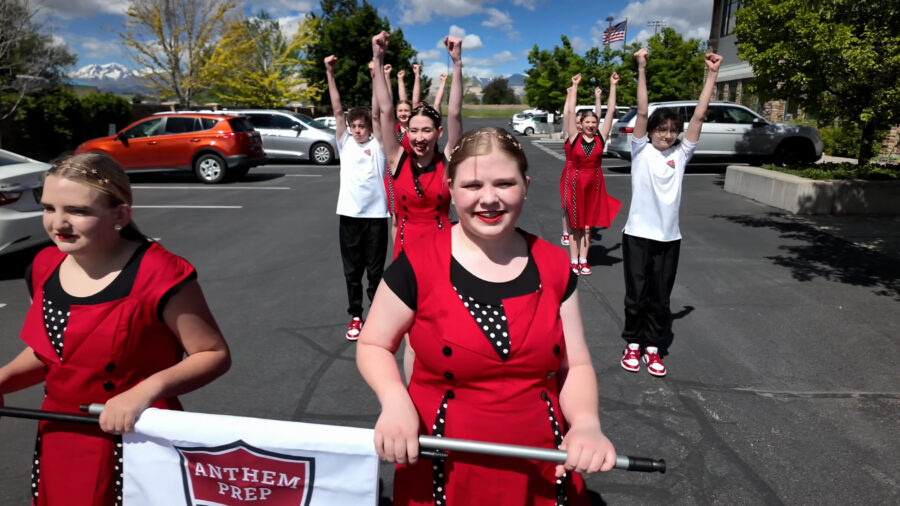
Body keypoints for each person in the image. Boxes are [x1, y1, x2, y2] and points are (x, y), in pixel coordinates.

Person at [357, 127, 617, 506]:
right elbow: (374, 343)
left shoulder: (556, 264)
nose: (489, 199)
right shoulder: (416, 262)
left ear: (526, 185)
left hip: (541, 463)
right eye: (473, 185)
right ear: (450, 186)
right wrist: (395, 401)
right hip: (442, 460)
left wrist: (587, 424)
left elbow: (574, 365)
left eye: (505, 183)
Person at [0, 153, 231, 506]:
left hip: (136, 437)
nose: (58, 223)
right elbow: (51, 353)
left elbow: (212, 354)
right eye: (49, 208)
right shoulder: (44, 265)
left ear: (120, 214)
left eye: (77, 211)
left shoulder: (162, 273)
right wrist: (2, 379)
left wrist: (143, 392)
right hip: (58, 432)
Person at [619, 48, 723, 377]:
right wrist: (642, 67)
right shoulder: (640, 150)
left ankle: (652, 346)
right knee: (636, 295)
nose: (667, 134)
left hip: (668, 237)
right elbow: (640, 109)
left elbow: (700, 116)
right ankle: (632, 344)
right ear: (649, 131)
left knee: (661, 297)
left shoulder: (681, 153)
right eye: (661, 128)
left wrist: (712, 75)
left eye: (672, 129)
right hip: (637, 235)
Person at [374, 31, 463, 259]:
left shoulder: (448, 159)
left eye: (426, 130)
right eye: (413, 131)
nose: (419, 138)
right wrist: (378, 58)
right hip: (405, 253)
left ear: (438, 132)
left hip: (442, 251)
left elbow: (454, 113)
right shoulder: (397, 158)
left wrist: (457, 63)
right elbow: (385, 111)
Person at [325, 54, 390, 341]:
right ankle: (355, 316)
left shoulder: (379, 145)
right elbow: (338, 110)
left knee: (375, 273)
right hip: (350, 216)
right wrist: (330, 73)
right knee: (352, 273)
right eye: (355, 126)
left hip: (376, 216)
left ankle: (376, 317)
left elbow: (378, 112)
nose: (358, 130)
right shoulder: (346, 143)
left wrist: (377, 68)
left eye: (362, 126)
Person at [563, 73, 622, 276]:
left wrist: (612, 85)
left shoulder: (601, 137)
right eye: (587, 122)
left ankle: (584, 259)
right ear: (582, 123)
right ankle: (573, 260)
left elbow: (611, 111)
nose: (590, 125)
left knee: (588, 226)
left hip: (595, 185)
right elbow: (570, 112)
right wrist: (574, 86)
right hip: (576, 183)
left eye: (593, 122)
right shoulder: (574, 137)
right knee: (575, 225)